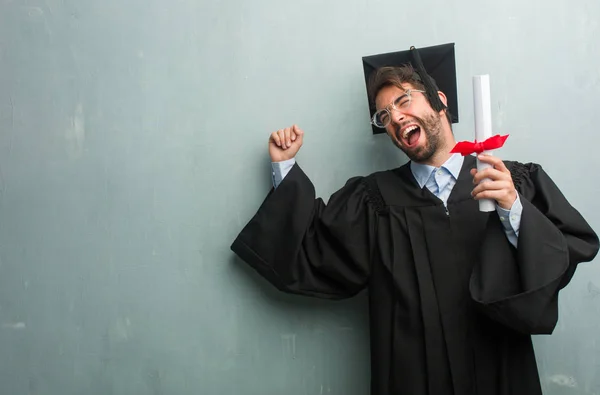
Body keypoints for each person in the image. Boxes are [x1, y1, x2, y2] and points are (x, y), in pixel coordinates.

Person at [230, 43, 599, 395]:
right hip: (413, 379)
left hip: (501, 372)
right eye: (384, 115)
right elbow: (312, 249)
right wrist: (284, 166)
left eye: (403, 100)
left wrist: (514, 210)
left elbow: (565, 251)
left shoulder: (510, 180)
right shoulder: (374, 202)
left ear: (440, 101)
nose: (395, 117)